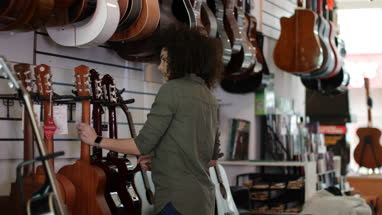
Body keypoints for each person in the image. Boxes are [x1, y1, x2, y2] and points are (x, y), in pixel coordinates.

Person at [76, 25, 224, 215]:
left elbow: (141, 146)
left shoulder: (172, 90)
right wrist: (161, 160)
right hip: (203, 202)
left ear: (181, 59)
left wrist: (96, 140)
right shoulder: (208, 96)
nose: (160, 66)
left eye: (164, 60)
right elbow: (211, 160)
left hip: (175, 201)